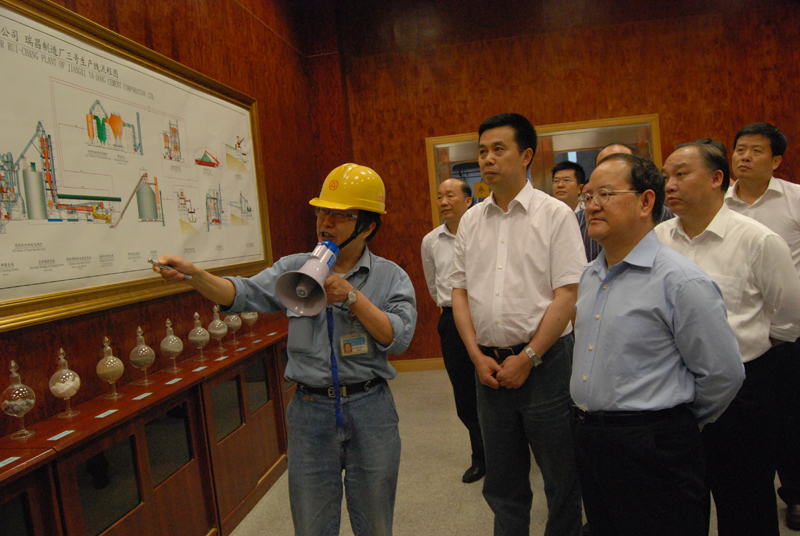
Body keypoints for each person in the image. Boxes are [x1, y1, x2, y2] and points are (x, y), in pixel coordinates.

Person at [152, 163, 417, 536]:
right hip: (310, 411)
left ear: (368, 227)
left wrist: (353, 297)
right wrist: (195, 276)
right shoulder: (295, 269)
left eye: (340, 215)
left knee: (375, 524)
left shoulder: (391, 276)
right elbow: (242, 293)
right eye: (322, 212)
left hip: (370, 409)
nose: (325, 222)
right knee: (311, 525)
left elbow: (399, 338)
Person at [571, 153, 744, 536]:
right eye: (588, 196)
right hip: (591, 440)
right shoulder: (590, 275)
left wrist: (671, 425)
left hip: (654, 447)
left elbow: (724, 374)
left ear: (646, 201)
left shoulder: (681, 280)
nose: (592, 206)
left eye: (605, 194)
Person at [448, 113, 585, 536]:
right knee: (503, 480)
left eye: (498, 149)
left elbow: (568, 294)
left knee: (561, 475)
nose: (487, 159)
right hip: (488, 367)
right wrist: (475, 356)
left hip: (546, 363)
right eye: (482, 151)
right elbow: (459, 292)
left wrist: (529, 357)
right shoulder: (471, 220)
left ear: (526, 156)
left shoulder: (554, 214)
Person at [656, 139, 800, 535]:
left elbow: (789, 319)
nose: (670, 184)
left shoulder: (757, 240)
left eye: (681, 174)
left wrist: (744, 348)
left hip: (743, 393)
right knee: (682, 502)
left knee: (746, 502)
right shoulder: (658, 240)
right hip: (675, 390)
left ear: (716, 178)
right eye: (666, 176)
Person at [724, 122, 800, 530]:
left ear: (776, 160)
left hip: (790, 330)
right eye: (740, 149)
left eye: (756, 150)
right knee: (750, 432)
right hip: (744, 335)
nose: (745, 157)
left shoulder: (795, 199)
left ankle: (795, 493)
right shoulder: (719, 202)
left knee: (791, 419)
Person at [420, 178, 485, 483]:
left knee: (497, 386)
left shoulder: (484, 233)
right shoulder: (431, 241)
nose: (443, 201)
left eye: (450, 195)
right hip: (451, 319)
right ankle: (480, 457)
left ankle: (510, 452)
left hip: (487, 316)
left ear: (468, 201)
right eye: (439, 196)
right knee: (465, 392)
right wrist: (452, 308)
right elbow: (433, 285)